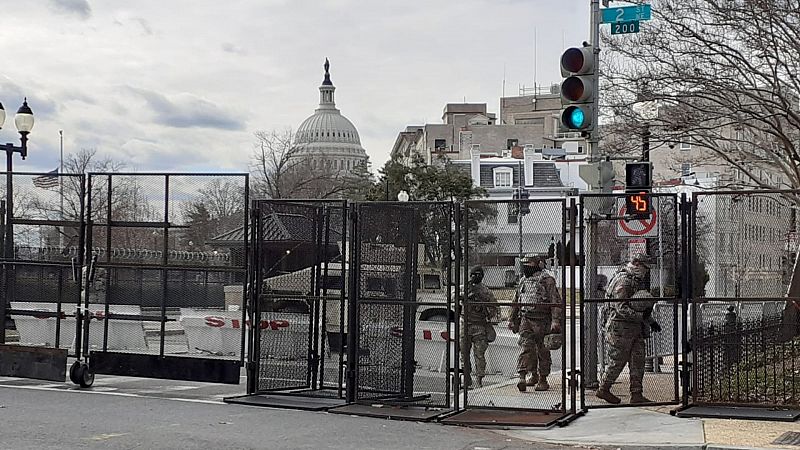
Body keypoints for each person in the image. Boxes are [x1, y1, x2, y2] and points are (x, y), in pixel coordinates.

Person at [596, 253, 661, 404]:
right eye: (644, 267)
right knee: (617, 361)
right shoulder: (624, 281)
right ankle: (604, 389)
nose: (645, 271)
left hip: (633, 328)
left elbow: (637, 305)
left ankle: (637, 394)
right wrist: (641, 317)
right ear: (637, 264)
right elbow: (621, 307)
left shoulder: (634, 280)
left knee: (637, 361)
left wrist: (650, 321)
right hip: (620, 329)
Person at [509, 253, 562, 392]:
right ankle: (524, 376)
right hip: (526, 319)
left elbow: (555, 301)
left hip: (543, 320)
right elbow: (516, 301)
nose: (526, 267)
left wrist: (555, 321)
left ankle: (542, 378)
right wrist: (512, 319)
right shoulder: (523, 281)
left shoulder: (547, 280)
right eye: (524, 264)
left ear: (538, 264)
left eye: (529, 264)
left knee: (542, 350)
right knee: (526, 348)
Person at [461, 265, 498, 388]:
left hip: (479, 326)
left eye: (477, 275)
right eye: (473, 274)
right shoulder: (464, 288)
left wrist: (482, 305)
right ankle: (467, 379)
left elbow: (494, 309)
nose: (475, 277)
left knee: (479, 355)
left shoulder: (486, 291)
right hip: (465, 324)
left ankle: (479, 380)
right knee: (464, 354)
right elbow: (453, 298)